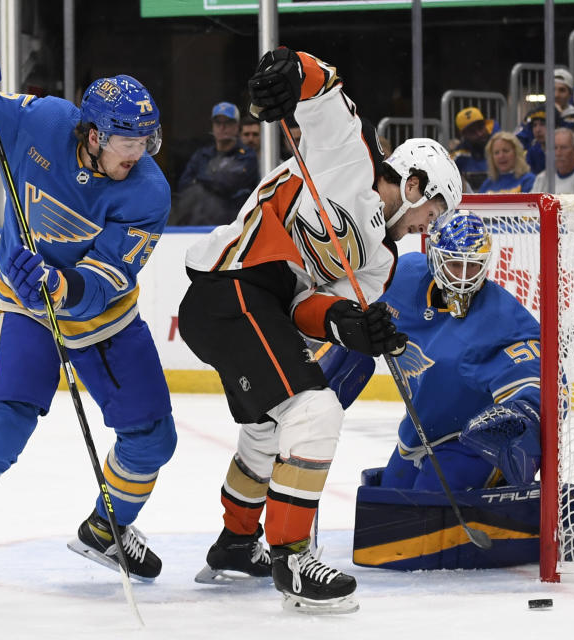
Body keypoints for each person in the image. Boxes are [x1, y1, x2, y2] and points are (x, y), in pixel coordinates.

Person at [178, 47, 461, 614]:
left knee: (265, 432)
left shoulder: (379, 265)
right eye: (436, 210)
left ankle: (236, 546)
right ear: (415, 182)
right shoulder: (351, 161)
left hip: (254, 307)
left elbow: (311, 310)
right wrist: (286, 68)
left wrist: (355, 328)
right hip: (232, 286)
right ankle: (293, 556)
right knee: (316, 410)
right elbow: (323, 88)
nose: (432, 226)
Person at [0, 45, 177, 615]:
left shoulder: (148, 192)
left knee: (154, 438)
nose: (140, 155)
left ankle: (106, 530)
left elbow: (110, 272)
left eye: (147, 142)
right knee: (1, 424)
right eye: (129, 143)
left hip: (104, 321)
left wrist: (62, 285)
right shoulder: (42, 120)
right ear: (94, 135)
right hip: (24, 312)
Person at [342, 212, 543, 570]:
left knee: (416, 524)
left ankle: (495, 486)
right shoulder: (402, 277)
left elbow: (537, 375)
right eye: (454, 265)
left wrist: (517, 414)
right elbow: (352, 290)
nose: (464, 278)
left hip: (469, 440)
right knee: (388, 508)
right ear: (435, 257)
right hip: (418, 431)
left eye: (472, 266)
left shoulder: (500, 316)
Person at [174, 101, 259, 226]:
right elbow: (184, 185)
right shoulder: (202, 155)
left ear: (236, 126)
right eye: (218, 122)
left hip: (232, 227)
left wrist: (199, 181)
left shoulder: (247, 155)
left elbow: (228, 184)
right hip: (197, 225)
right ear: (213, 126)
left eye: (227, 122)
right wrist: (214, 180)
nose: (222, 127)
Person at [450, 106, 493, 190]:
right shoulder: (458, 156)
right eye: (472, 131)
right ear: (463, 134)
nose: (479, 134)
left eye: (480, 127)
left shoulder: (501, 148)